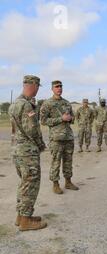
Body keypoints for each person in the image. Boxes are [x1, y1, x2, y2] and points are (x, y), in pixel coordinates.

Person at [9, 75, 47, 231]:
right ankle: (25, 221)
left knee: (24, 183)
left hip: (17, 149)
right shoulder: (26, 106)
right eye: (37, 86)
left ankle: (21, 216)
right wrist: (41, 145)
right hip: (27, 151)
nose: (38, 89)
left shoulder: (14, 104)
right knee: (31, 183)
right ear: (32, 85)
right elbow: (32, 130)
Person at [40, 80, 79, 195]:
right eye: (57, 87)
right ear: (52, 89)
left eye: (61, 86)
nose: (59, 88)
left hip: (68, 137)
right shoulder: (47, 103)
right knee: (56, 162)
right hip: (56, 138)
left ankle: (68, 181)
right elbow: (43, 121)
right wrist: (60, 119)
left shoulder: (67, 103)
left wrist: (70, 118)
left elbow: (72, 119)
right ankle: (55, 184)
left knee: (68, 161)